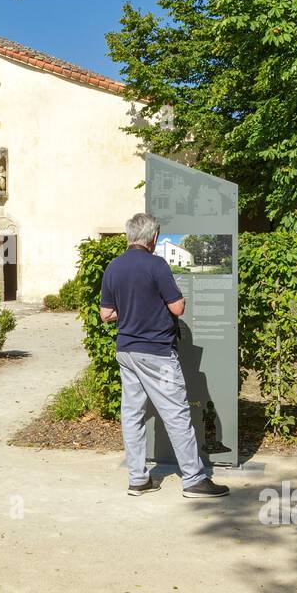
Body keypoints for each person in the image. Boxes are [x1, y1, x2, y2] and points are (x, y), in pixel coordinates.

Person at [99, 212, 229, 499]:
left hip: (127, 352)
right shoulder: (156, 265)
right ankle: (194, 480)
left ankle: (137, 479)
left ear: (128, 236)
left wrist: (132, 311)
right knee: (177, 414)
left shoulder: (113, 267)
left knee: (132, 415)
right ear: (154, 237)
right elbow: (178, 308)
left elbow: (106, 314)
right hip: (156, 352)